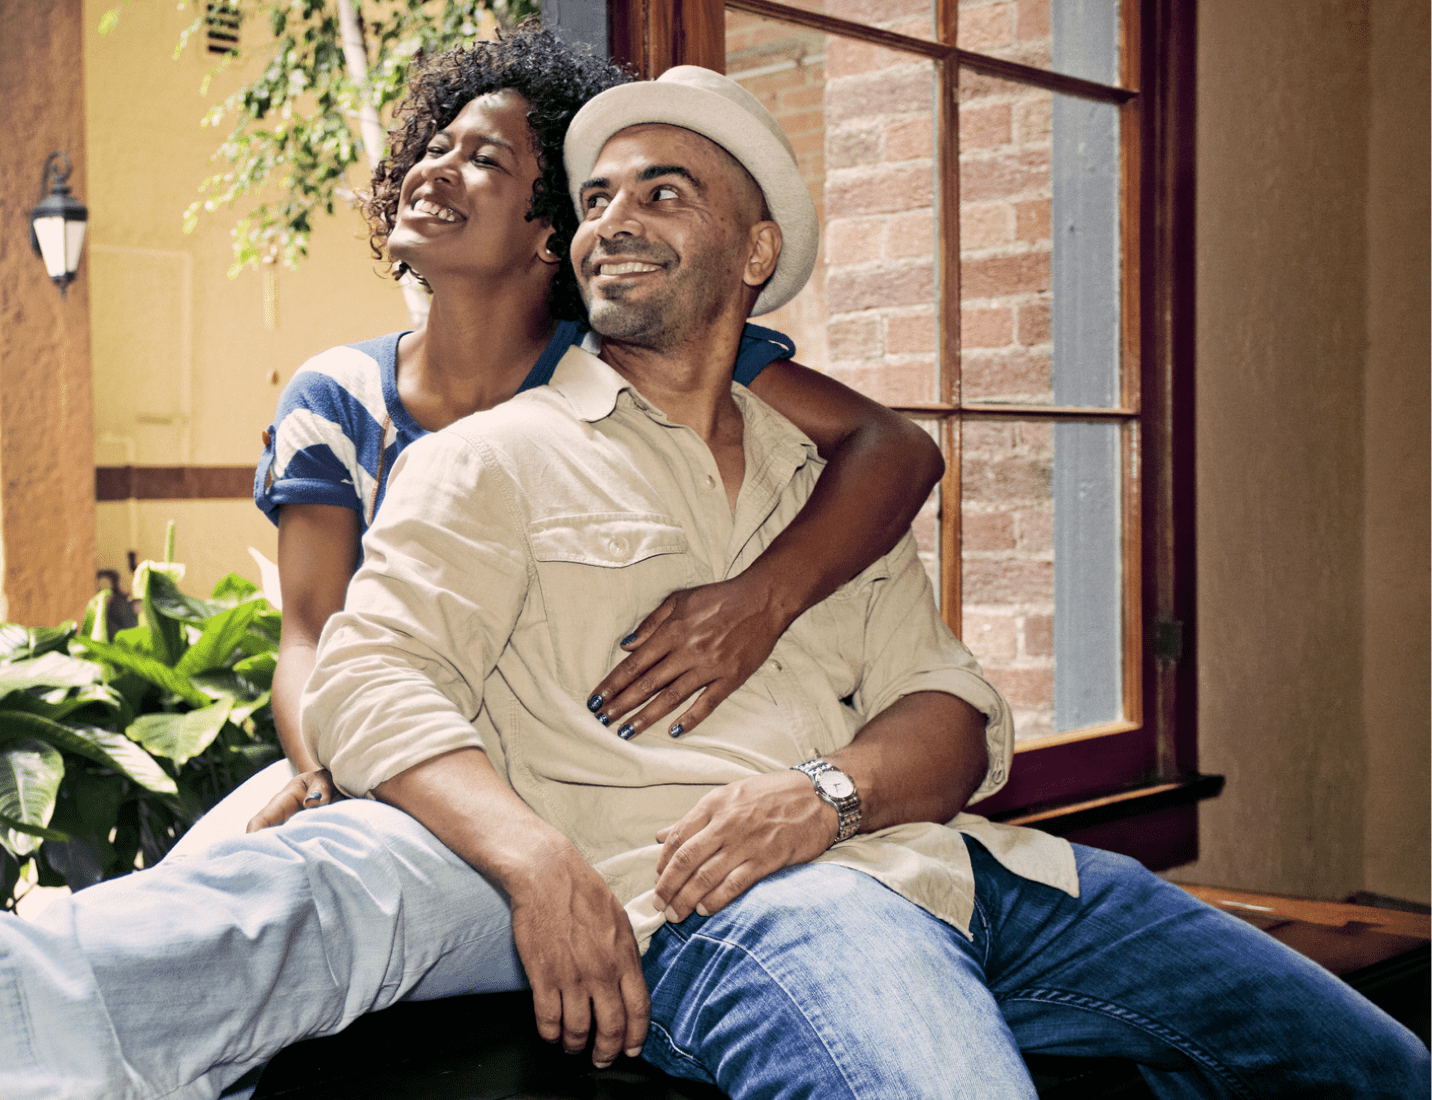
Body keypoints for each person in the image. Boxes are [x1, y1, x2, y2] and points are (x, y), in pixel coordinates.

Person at [1, 65, 1423, 1100]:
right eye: (600, 194)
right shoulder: (489, 460)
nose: (615, 215)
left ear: (750, 256)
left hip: (982, 877)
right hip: (730, 906)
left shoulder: (823, 492)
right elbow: (364, 674)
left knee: (1378, 1061)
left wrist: (828, 792)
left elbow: (956, 720)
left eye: (662, 192)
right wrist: (540, 857)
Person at [237, 24, 943, 834]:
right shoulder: (336, 395)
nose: (435, 168)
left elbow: (897, 447)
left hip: (565, 784)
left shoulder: (635, 360)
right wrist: (323, 778)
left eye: (484, 159)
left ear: (548, 231)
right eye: (434, 145)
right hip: (392, 760)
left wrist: (759, 600)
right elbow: (311, 636)